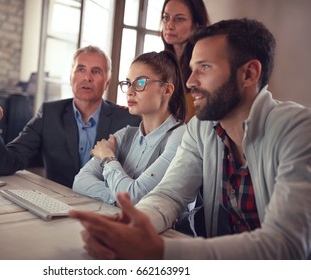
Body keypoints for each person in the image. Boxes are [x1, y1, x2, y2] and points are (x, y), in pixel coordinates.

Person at [69, 19, 311, 259]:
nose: (190, 82)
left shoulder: (299, 129)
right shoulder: (200, 129)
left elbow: (288, 245)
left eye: (205, 68)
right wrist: (130, 228)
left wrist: (161, 251)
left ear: (249, 74)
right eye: (192, 69)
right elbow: (169, 196)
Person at [0, 45, 141, 188]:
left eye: (96, 71)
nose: (87, 77)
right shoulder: (49, 113)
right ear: (71, 76)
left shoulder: (128, 120)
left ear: (107, 83)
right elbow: (8, 163)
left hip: (106, 211)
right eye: (81, 69)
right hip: (56, 208)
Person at [73, 51, 186, 205]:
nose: (130, 92)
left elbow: (133, 197)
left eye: (140, 83)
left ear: (167, 90)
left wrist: (108, 157)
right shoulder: (126, 134)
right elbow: (80, 182)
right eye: (128, 83)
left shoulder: (181, 137)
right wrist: (118, 197)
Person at [161, 0, 210, 122]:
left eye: (179, 19)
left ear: (195, 25)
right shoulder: (160, 63)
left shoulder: (205, 67)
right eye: (166, 17)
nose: (169, 25)